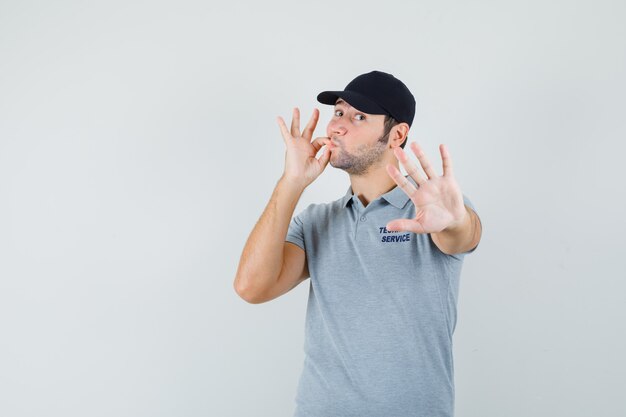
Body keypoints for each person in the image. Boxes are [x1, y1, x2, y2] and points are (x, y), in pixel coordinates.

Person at [234, 70, 483, 417]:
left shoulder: (433, 211)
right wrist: (291, 182)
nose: (337, 126)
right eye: (338, 112)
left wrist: (455, 221)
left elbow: (462, 234)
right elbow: (251, 288)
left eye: (358, 117)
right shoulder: (316, 221)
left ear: (397, 134)